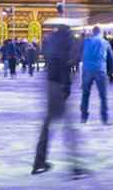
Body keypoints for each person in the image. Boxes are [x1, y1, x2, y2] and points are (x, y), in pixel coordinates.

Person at [32, 23, 85, 177]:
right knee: (68, 126)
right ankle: (75, 166)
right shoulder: (66, 40)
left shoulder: (52, 39)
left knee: (48, 124)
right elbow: (65, 63)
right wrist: (66, 86)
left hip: (50, 82)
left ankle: (39, 161)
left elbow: (49, 57)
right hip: (59, 85)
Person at [80, 26, 113, 125]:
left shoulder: (86, 42)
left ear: (93, 32)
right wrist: (112, 73)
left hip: (87, 70)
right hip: (100, 70)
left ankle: (83, 117)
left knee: (85, 94)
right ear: (100, 33)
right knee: (103, 96)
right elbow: (111, 59)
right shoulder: (105, 42)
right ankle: (104, 119)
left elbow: (79, 53)